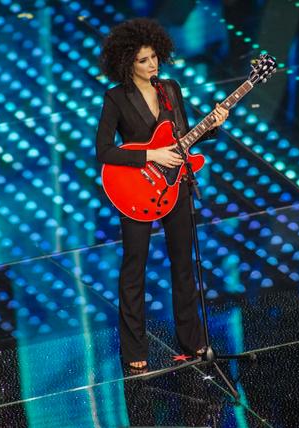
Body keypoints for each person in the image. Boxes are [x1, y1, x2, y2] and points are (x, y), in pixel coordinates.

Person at [96, 18, 229, 371]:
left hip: (177, 185)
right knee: (134, 268)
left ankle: (192, 340)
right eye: (143, 60)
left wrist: (213, 126)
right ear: (127, 63)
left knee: (184, 265)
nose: (152, 64)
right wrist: (150, 155)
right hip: (136, 189)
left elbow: (183, 138)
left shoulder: (170, 89)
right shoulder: (116, 98)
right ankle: (134, 349)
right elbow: (104, 151)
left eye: (154, 56)